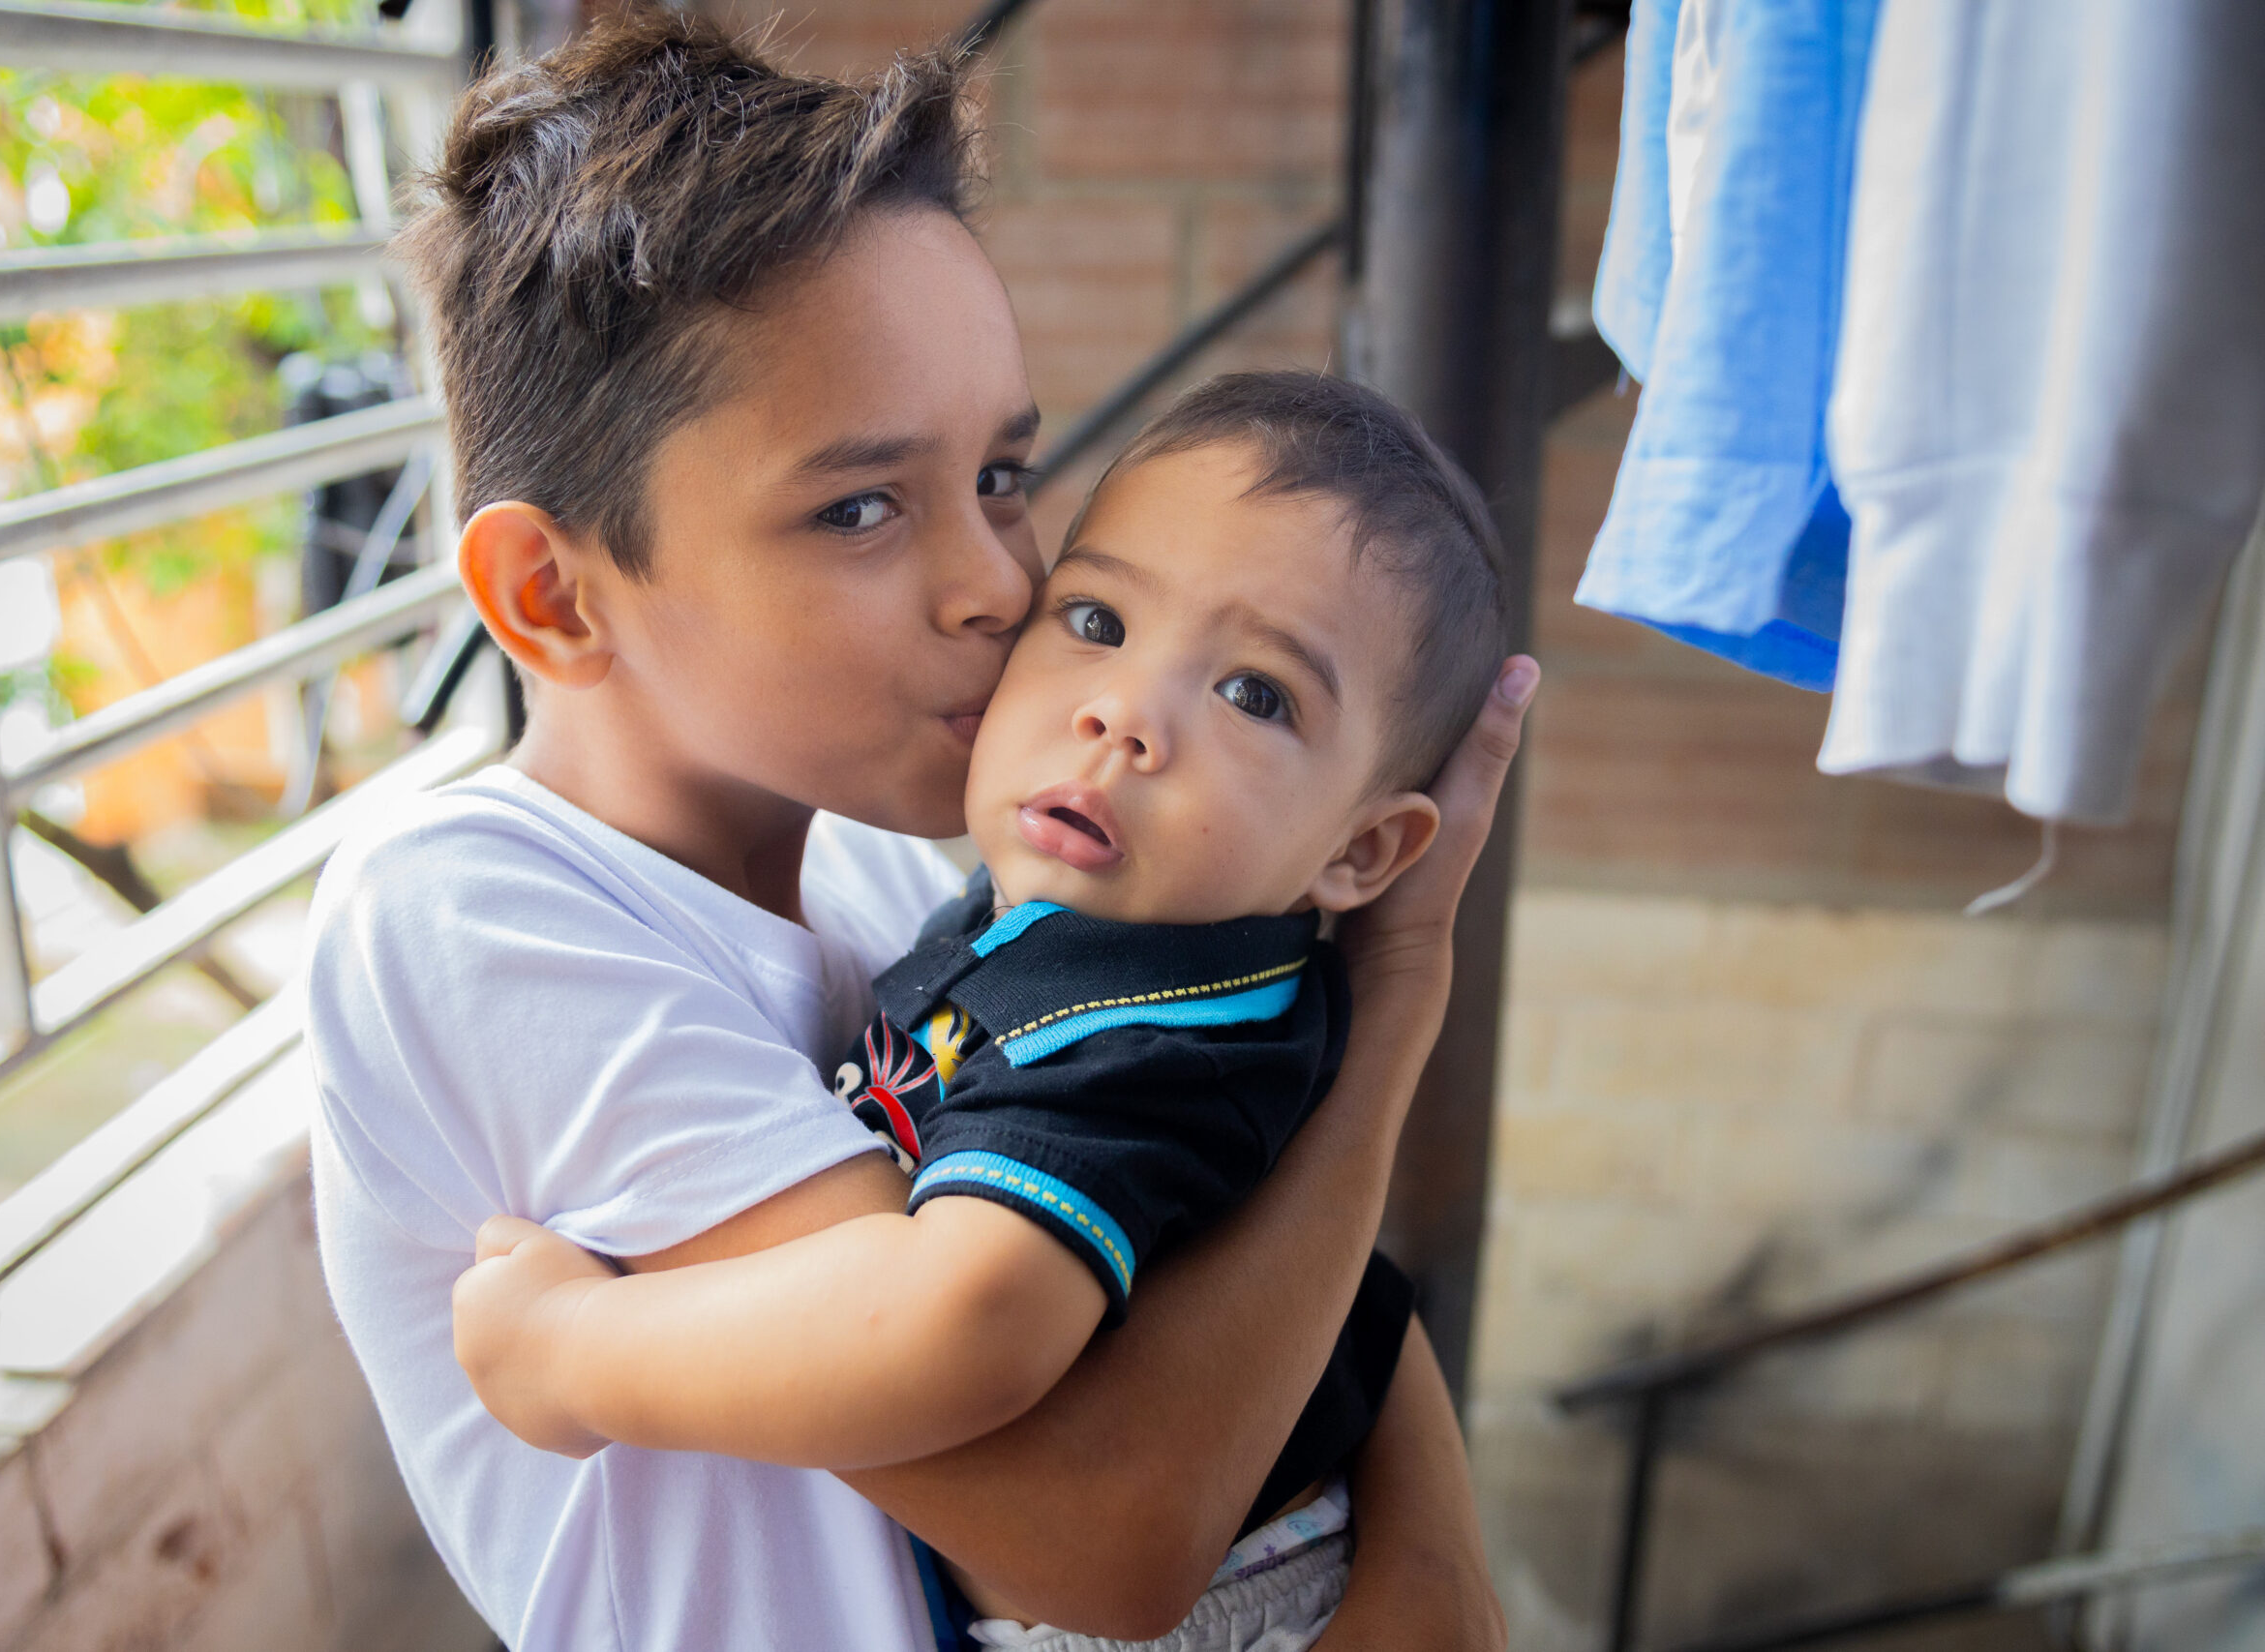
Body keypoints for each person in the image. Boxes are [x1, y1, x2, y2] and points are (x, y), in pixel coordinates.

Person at [302, 11, 1535, 1649]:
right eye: (862, 508)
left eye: (1005, 474)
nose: (1003, 587)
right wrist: (1387, 1023)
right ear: (553, 596)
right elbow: (1097, 1539)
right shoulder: (474, 915)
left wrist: (1434, 1563)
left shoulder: (908, 873)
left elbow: (1226, 1215)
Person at [453, 370, 1509, 1650]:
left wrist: (575, 1353)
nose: (1121, 715)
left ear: (1363, 851)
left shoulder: (1148, 1034)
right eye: (1099, 616)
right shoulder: (1042, 934)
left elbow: (962, 1322)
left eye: (1254, 695)